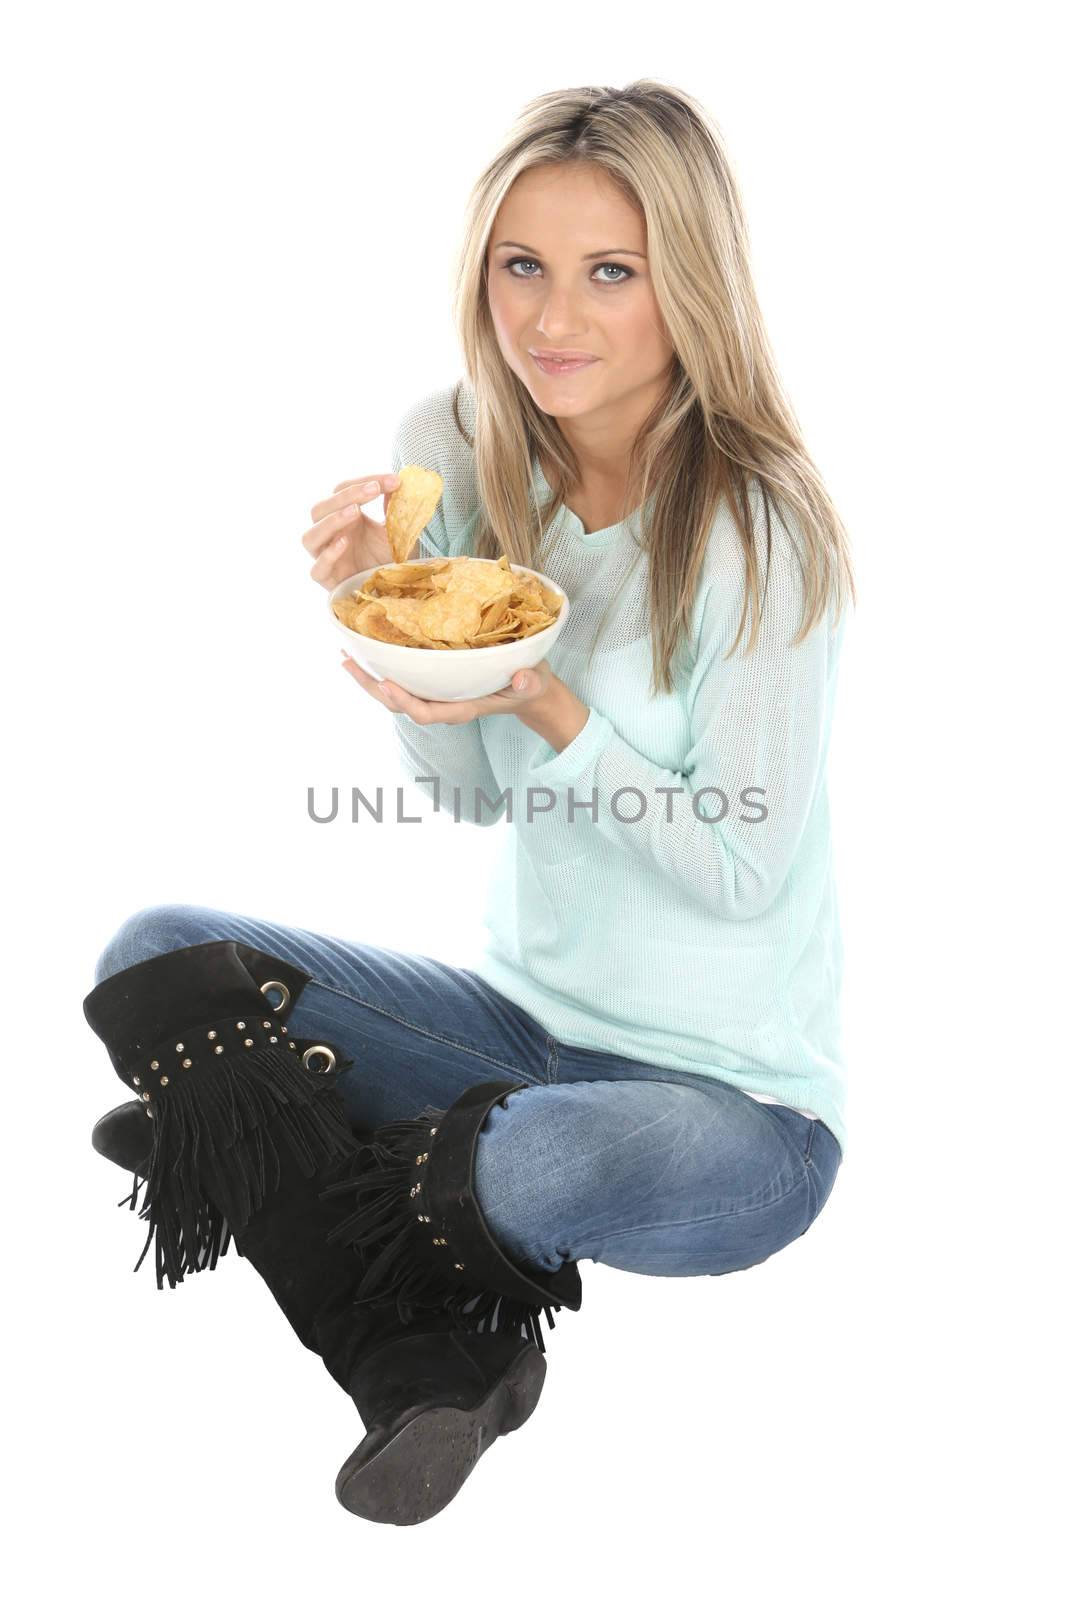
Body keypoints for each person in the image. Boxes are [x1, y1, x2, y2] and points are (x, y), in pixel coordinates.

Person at [84, 79, 855, 1527]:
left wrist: (551, 703)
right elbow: (462, 797)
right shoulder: (455, 441)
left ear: (686, 285)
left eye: (608, 273)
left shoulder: (760, 524)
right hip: (511, 1035)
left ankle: (286, 1172)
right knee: (158, 956)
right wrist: (390, 621)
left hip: (733, 1112)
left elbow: (744, 869)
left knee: (562, 1149)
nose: (552, 321)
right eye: (523, 266)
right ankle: (438, 1340)